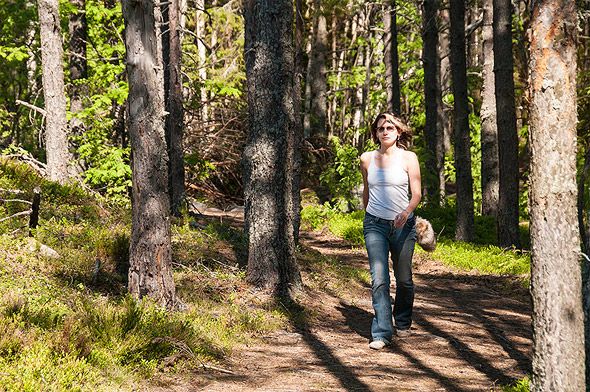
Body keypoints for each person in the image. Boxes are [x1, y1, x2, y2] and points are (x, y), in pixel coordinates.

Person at [360, 112, 422, 350]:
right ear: (375, 133)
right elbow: (367, 190)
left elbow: (416, 193)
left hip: (403, 225)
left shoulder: (409, 158)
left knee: (404, 279)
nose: (385, 131)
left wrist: (406, 212)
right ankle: (382, 333)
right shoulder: (366, 159)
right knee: (379, 278)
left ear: (398, 132)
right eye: (380, 128)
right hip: (375, 224)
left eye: (389, 128)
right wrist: (369, 215)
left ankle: (403, 321)